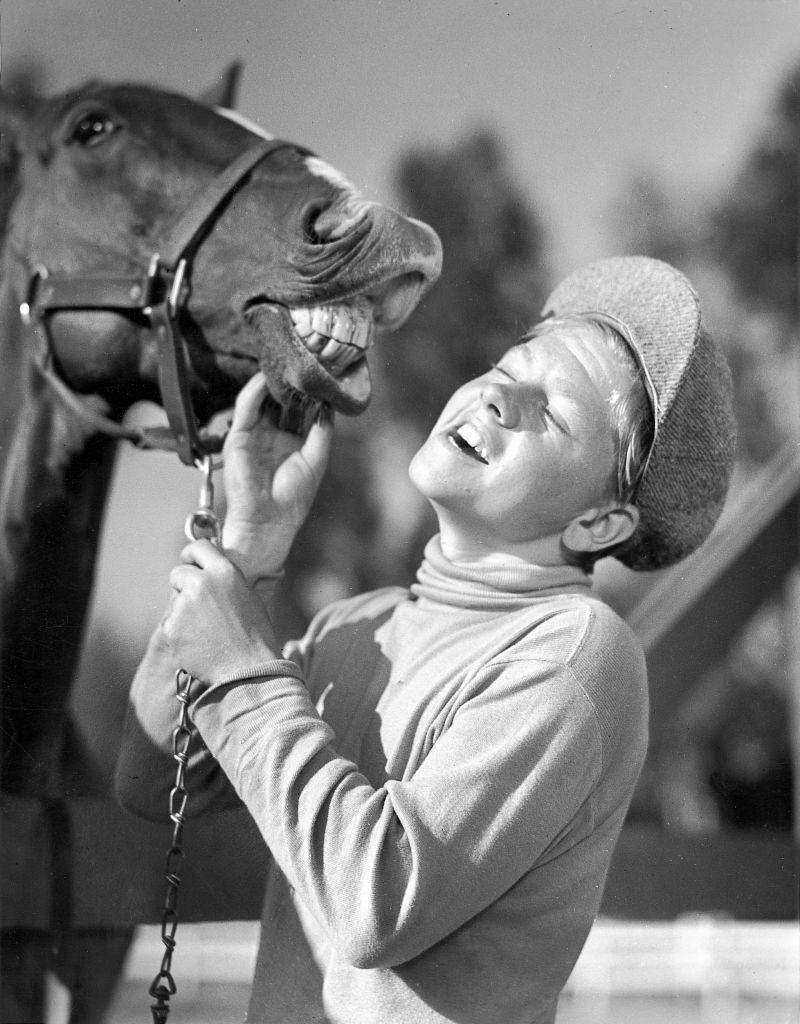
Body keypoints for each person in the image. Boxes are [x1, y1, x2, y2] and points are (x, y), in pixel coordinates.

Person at [116, 256, 736, 1024]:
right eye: (510, 366)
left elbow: (379, 901)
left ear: (599, 524)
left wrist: (244, 670)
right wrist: (247, 551)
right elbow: (152, 780)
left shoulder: (577, 654)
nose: (502, 394)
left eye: (556, 409)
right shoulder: (358, 623)